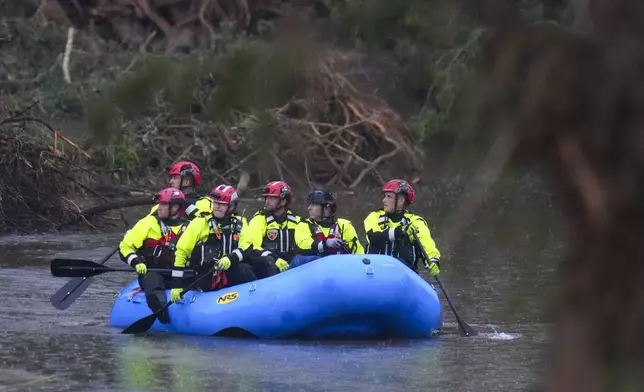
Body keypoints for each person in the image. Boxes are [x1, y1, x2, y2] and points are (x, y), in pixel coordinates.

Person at [170, 184, 279, 303]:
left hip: (231, 266)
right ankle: (255, 302)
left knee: (266, 262)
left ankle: (273, 296)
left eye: (222, 204)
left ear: (231, 207)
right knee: (244, 269)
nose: (217, 206)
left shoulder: (240, 223)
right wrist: (176, 284)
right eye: (215, 203)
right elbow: (181, 251)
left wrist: (230, 258)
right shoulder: (200, 223)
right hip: (208, 274)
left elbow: (247, 247)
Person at [118, 187, 188, 324]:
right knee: (153, 280)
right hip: (152, 272)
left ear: (175, 208)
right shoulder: (148, 223)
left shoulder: (189, 227)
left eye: (163, 204)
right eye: (159, 204)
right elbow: (125, 247)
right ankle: (164, 317)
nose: (159, 207)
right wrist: (136, 262)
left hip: (178, 273)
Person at [363, 179, 441, 275]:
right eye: (384, 196)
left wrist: (434, 261)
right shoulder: (374, 217)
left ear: (400, 201)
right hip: (375, 272)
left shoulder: (416, 222)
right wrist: (399, 233)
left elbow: (428, 246)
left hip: (404, 274)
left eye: (389, 197)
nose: (384, 200)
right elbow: (373, 237)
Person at [290, 189, 364, 268]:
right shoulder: (303, 225)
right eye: (310, 204)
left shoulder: (344, 225)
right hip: (312, 269)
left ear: (326, 208)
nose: (309, 208)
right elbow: (304, 245)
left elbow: (358, 252)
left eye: (314, 205)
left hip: (340, 268)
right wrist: (325, 244)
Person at [240, 181, 300, 272]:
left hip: (290, 263)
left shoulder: (297, 221)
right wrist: (275, 259)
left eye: (272, 198)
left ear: (283, 201)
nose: (267, 201)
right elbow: (254, 248)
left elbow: (305, 243)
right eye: (267, 197)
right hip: (268, 263)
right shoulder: (259, 220)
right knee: (269, 262)